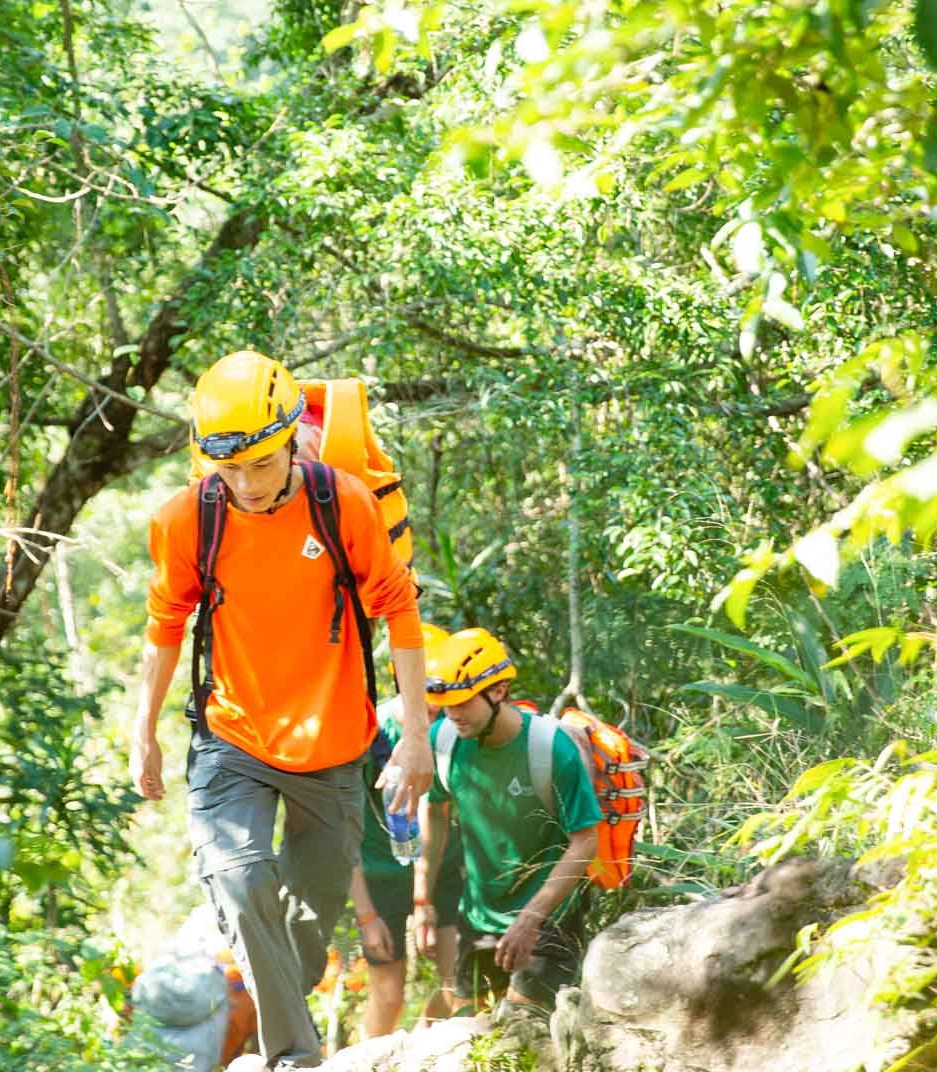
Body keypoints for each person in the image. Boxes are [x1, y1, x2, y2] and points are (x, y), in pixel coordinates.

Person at [129, 350, 432, 1070]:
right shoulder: (188, 520)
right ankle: (294, 1058)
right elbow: (165, 625)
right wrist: (142, 732)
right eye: (227, 467)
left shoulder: (343, 504)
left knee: (306, 924)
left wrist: (414, 735)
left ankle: (283, 1009)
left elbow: (400, 610)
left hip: (332, 741)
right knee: (238, 877)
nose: (244, 484)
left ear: (293, 439)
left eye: (260, 465)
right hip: (232, 734)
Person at [412, 628, 601, 1012]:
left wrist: (532, 917)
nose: (453, 714)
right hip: (480, 919)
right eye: (446, 705)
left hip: (548, 922)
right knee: (466, 1031)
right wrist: (422, 900)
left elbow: (586, 841)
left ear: (498, 691)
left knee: (519, 1035)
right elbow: (433, 811)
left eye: (462, 702)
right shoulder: (444, 740)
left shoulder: (551, 749)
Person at [345, 628, 465, 1040]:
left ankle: (420, 1054)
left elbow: (443, 811)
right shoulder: (368, 731)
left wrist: (426, 898)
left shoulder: (455, 729)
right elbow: (342, 829)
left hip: (444, 871)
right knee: (389, 996)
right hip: (381, 878)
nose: (435, 716)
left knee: (460, 990)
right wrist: (365, 915)